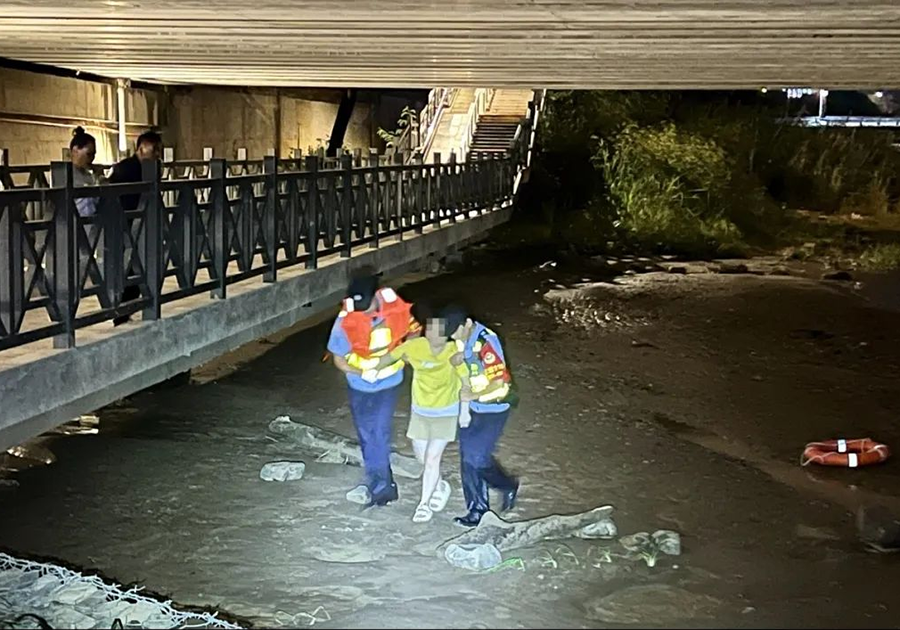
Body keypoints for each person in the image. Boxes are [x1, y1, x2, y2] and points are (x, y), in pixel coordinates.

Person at [327, 272, 421, 507]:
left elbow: (415, 331)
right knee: (366, 433)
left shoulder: (395, 308)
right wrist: (360, 372)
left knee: (378, 432)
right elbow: (338, 358)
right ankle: (379, 479)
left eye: (367, 307)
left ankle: (382, 488)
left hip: (389, 382)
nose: (365, 313)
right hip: (359, 385)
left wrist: (400, 353)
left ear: (376, 296)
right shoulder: (345, 319)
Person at [373, 311, 462, 523]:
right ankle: (440, 484)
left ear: (447, 334)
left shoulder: (454, 350)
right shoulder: (415, 346)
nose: (431, 334)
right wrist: (363, 368)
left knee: (432, 459)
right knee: (423, 457)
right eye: (429, 328)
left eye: (437, 331)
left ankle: (424, 504)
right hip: (421, 411)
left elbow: (468, 368)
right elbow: (387, 358)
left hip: (446, 412)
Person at [445, 306, 519, 527]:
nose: (454, 337)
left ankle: (507, 485)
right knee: (468, 458)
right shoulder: (464, 337)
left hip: (495, 407)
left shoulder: (487, 342)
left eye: (456, 332)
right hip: (475, 407)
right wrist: (461, 356)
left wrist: (473, 394)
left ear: (468, 323)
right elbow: (468, 357)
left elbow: (499, 383)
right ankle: (477, 510)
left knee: (476, 457)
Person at [108, 130, 163, 326]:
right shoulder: (126, 169)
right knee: (128, 270)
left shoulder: (151, 168)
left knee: (139, 269)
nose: (157, 154)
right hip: (126, 225)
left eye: (159, 150)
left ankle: (128, 309)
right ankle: (121, 313)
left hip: (141, 226)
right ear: (141, 148)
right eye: (154, 150)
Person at [69, 126, 101, 217]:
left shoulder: (90, 175)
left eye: (94, 155)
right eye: (89, 154)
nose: (92, 159)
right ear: (75, 150)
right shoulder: (64, 175)